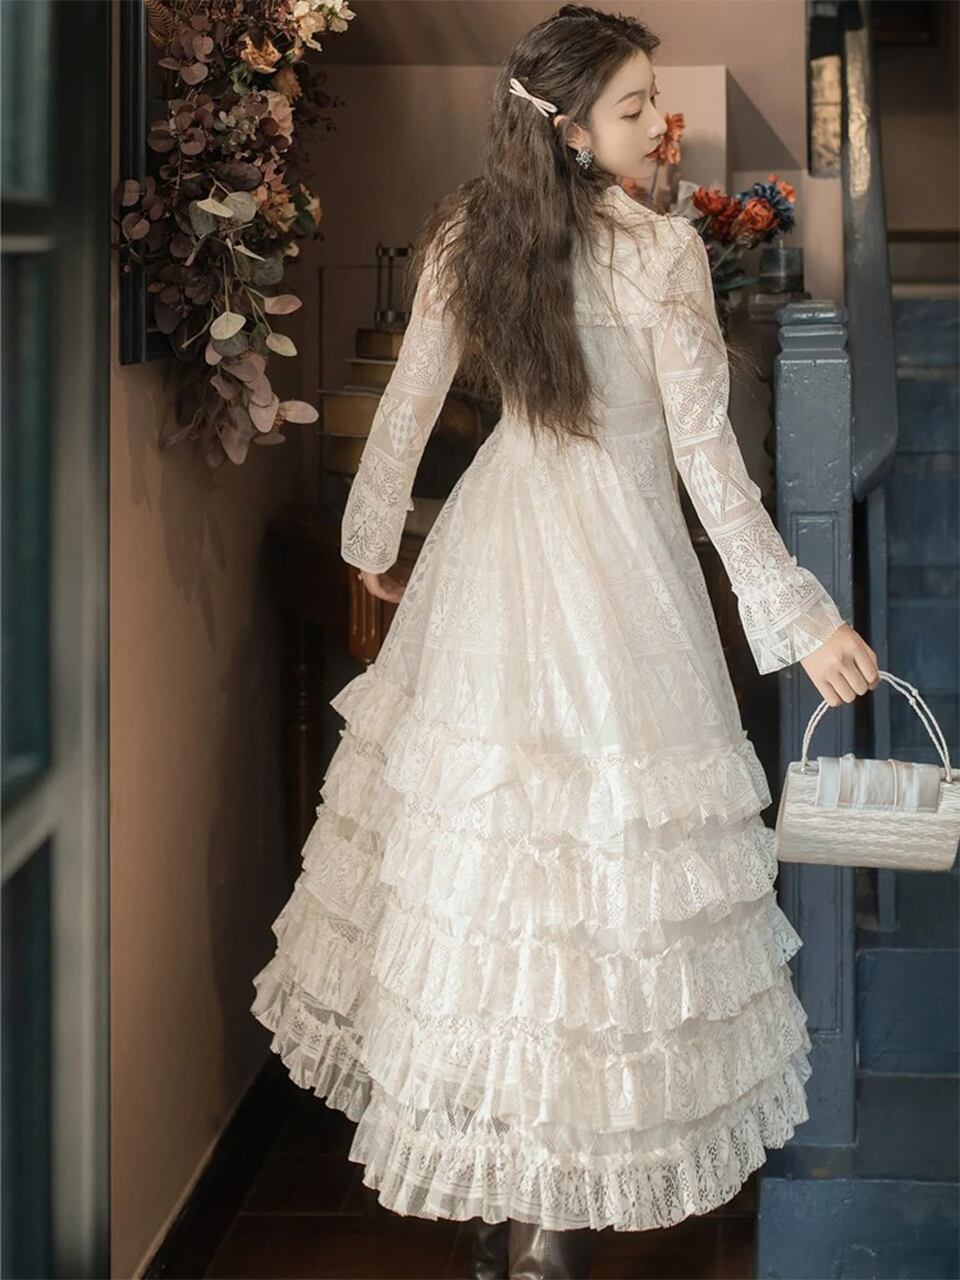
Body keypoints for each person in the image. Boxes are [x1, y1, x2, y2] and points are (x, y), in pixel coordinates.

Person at [251, 6, 880, 1277]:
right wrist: (801, 615)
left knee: (503, 878)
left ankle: (518, 1215)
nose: (660, 123)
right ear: (573, 129)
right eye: (635, 105)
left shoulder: (470, 234)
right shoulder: (657, 250)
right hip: (608, 576)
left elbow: (408, 410)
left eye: (653, 99)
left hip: (497, 553)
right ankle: (544, 1224)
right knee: (581, 885)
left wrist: (371, 540)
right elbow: (708, 466)